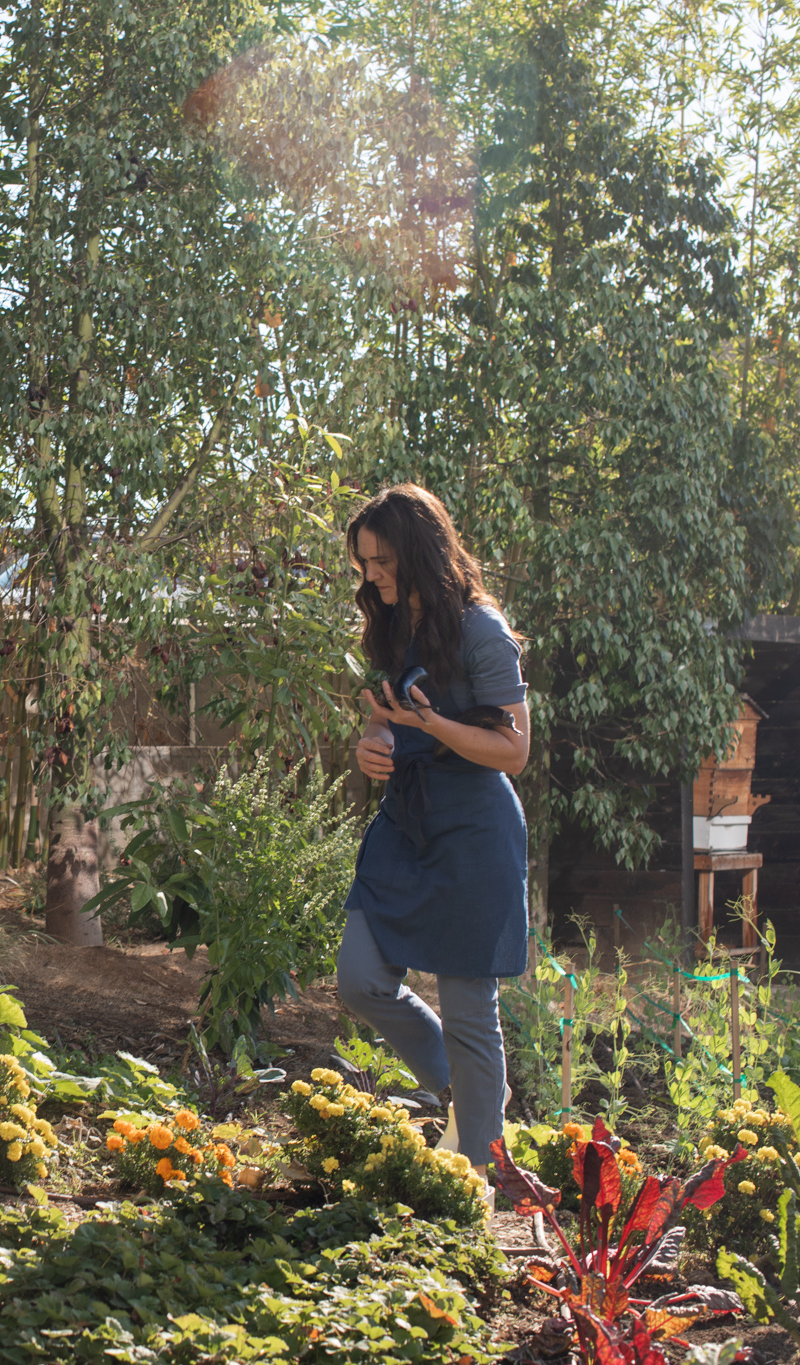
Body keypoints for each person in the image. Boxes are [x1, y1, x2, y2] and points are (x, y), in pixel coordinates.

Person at [335, 483, 530, 1175]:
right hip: (407, 822)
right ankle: (474, 1086)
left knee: (473, 1007)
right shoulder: (391, 623)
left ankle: (477, 1176)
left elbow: (515, 749)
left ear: (420, 551)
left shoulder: (481, 629)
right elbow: (385, 714)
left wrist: (432, 726)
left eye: (381, 561)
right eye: (363, 563)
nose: (371, 576)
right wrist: (373, 740)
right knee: (360, 979)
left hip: (475, 831)